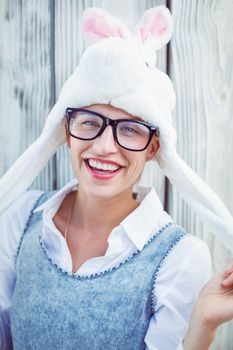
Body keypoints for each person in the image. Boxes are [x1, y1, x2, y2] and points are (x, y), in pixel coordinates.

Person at [0, 6, 233, 350]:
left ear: (154, 147)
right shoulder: (21, 220)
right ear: (66, 129)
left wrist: (202, 322)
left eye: (130, 129)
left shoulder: (181, 258)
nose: (105, 147)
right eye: (89, 122)